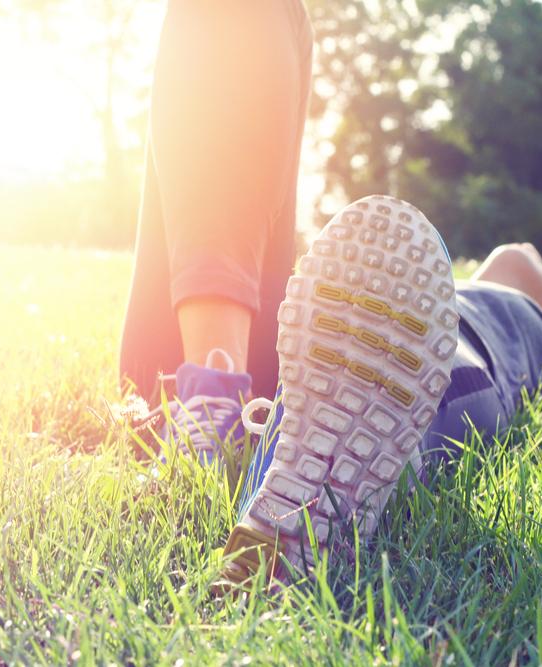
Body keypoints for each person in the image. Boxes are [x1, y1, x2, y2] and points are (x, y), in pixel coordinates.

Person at [219, 195, 542, 586]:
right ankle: (368, 470)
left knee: (403, 386)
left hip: (451, 345)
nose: (526, 249)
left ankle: (293, 488)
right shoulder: (448, 295)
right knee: (406, 383)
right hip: (431, 340)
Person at [119, 0, 314, 460]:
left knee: (510, 270)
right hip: (192, 380)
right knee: (504, 292)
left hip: (178, 378)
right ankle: (213, 395)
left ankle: (214, 393)